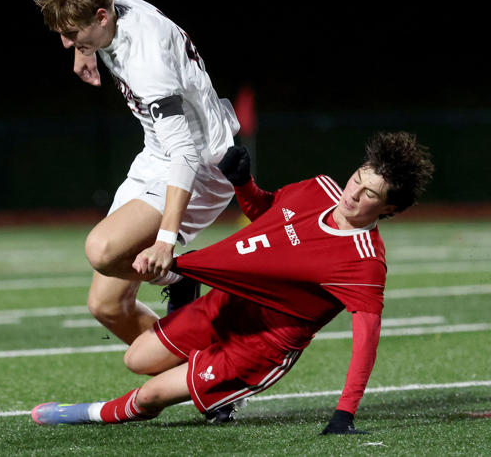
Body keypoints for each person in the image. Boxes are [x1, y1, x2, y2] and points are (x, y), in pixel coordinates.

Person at [31, 131, 434, 435]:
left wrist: (345, 413)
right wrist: (243, 182)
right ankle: (208, 384)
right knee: (136, 359)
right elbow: (265, 212)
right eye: (357, 180)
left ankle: (87, 412)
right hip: (228, 303)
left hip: (260, 346)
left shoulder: (364, 262)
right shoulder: (320, 188)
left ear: (390, 209)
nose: (353, 194)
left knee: (151, 395)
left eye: (370, 195)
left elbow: (367, 341)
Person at [35, 0, 239, 366]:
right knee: (106, 305)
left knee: (102, 249)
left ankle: (182, 277)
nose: (66, 42)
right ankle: (207, 373)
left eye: (73, 33)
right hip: (157, 155)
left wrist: (165, 241)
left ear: (101, 17)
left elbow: (185, 154)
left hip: (200, 165)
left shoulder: (146, 60)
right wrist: (83, 48)